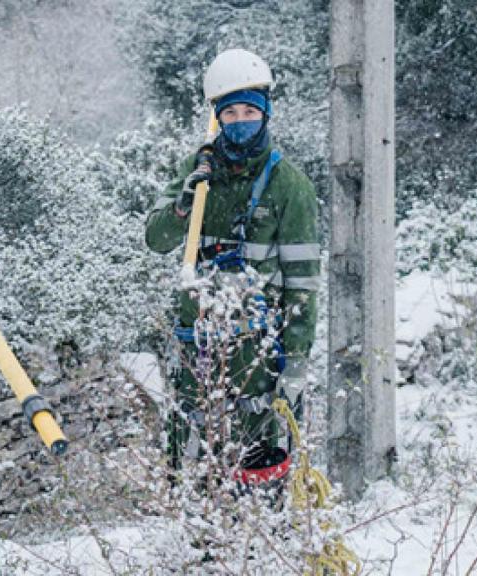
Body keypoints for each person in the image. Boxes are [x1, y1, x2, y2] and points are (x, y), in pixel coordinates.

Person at [145, 48, 320, 497]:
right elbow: (156, 239)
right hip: (196, 344)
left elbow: (302, 283)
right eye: (230, 113)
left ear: (265, 113)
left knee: (257, 467)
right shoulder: (197, 172)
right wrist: (183, 206)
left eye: (249, 111)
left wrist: (296, 361)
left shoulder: (289, 185)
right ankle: (196, 531)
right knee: (191, 462)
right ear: (217, 117)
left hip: (257, 355)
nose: (240, 121)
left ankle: (259, 534)